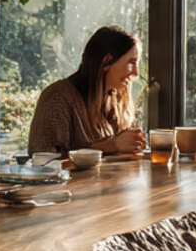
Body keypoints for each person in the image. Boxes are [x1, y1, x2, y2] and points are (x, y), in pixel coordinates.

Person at [27, 26, 147, 156]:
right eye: (132, 62)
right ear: (106, 61)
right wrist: (111, 145)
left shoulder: (116, 100)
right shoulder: (57, 98)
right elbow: (42, 158)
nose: (135, 73)